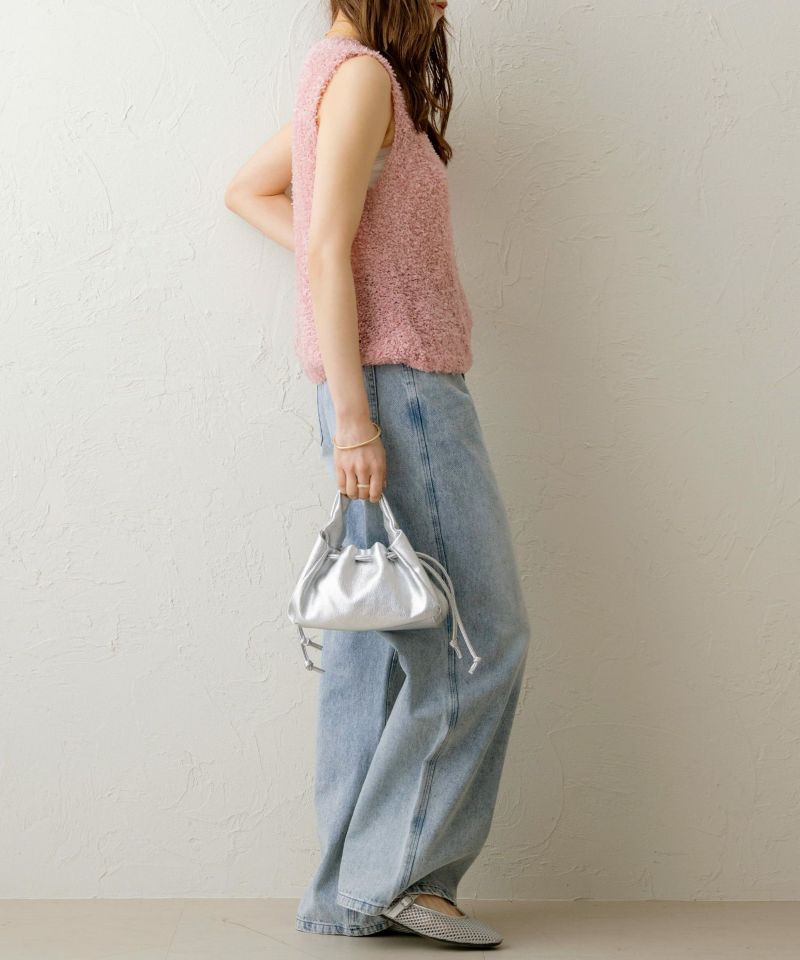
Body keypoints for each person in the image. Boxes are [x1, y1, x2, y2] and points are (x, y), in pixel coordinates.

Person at [225, 0, 530, 948]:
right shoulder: (362, 80)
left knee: (374, 646)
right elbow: (321, 243)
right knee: (479, 639)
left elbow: (251, 193)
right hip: (401, 393)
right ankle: (393, 879)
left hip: (375, 390)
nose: (444, 4)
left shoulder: (333, 73)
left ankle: (342, 891)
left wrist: (357, 258)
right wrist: (358, 420)